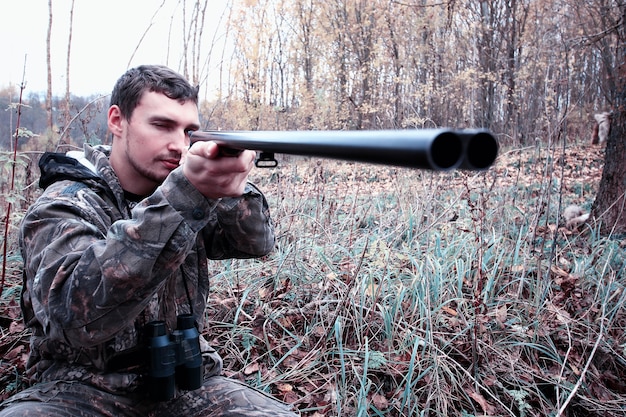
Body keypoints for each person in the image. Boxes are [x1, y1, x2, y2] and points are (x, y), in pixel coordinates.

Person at [0, 65, 298, 416]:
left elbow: (255, 243)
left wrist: (228, 181)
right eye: (161, 125)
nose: (178, 144)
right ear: (117, 121)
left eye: (189, 131)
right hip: (80, 389)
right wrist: (182, 196)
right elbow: (75, 318)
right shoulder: (63, 204)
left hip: (187, 382)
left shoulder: (188, 188)